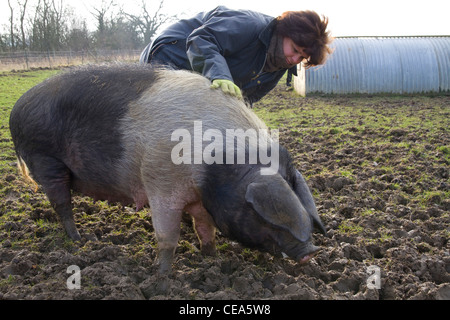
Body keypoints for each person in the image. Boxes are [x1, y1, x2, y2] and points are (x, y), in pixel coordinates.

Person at [140, 6, 332, 105]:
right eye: (295, 49)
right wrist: (220, 76)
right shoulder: (249, 24)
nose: (294, 59)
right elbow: (201, 40)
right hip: (170, 55)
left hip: (196, 77)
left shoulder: (279, 65)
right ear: (284, 32)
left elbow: (247, 99)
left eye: (301, 58)